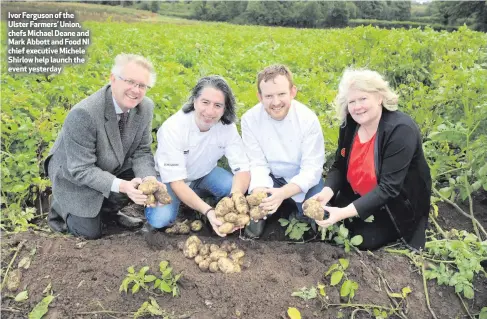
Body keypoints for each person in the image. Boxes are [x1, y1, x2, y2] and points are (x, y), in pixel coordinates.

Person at [45, 53, 164, 239]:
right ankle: (61, 208)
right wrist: (124, 186)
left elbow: (142, 151)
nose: (136, 90)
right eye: (130, 82)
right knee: (89, 233)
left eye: (142, 85)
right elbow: (81, 169)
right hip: (74, 174)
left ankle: (109, 212)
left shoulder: (145, 107)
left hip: (110, 161)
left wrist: (147, 180)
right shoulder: (84, 114)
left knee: (142, 174)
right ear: (113, 79)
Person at [310, 68, 432, 250]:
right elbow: (339, 166)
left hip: (393, 203)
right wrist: (327, 191)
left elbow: (389, 188)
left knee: (360, 239)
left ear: (379, 98)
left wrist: (343, 212)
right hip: (357, 192)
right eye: (352, 101)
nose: (357, 106)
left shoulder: (400, 131)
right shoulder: (350, 124)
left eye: (363, 99)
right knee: (320, 222)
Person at [146, 75, 250, 237]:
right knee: (161, 219)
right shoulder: (173, 128)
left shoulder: (226, 127)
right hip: (170, 181)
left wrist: (235, 198)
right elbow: (176, 182)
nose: (210, 111)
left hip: (204, 173)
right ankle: (187, 202)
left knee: (233, 186)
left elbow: (242, 168)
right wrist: (208, 211)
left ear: (225, 108)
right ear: (194, 101)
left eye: (217, 105)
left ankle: (195, 198)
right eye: (205, 102)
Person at [241, 64, 325, 238]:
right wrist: (259, 193)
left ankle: (290, 207)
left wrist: (283, 193)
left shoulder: (307, 119)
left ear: (292, 92)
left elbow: (312, 169)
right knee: (253, 225)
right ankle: (273, 210)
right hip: (271, 177)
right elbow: (257, 163)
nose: (276, 102)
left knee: (318, 216)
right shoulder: (249, 119)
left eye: (281, 94)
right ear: (259, 97)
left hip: (300, 177)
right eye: (269, 96)